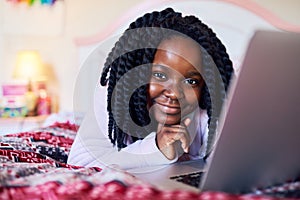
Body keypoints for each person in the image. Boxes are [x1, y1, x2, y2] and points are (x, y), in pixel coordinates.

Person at [67, 8, 234, 170]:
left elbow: (231, 158)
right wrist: (156, 148)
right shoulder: (115, 90)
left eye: (191, 81)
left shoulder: (208, 108)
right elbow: (81, 160)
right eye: (160, 75)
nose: (175, 93)